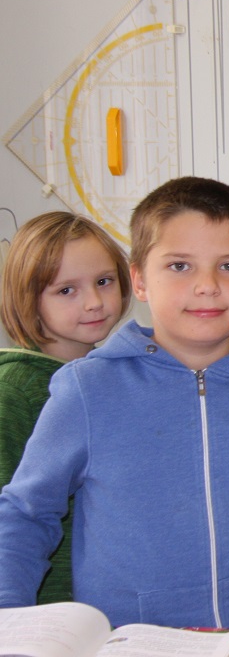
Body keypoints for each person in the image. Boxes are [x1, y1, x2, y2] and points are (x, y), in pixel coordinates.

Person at [0, 177, 229, 645]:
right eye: (180, 266)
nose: (208, 286)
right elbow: (25, 515)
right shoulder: (88, 389)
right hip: (127, 644)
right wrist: (11, 629)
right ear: (139, 279)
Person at [0, 212, 131, 604]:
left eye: (104, 281)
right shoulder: (13, 391)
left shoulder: (113, 378)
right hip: (44, 613)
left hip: (112, 607)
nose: (94, 302)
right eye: (66, 290)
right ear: (28, 298)